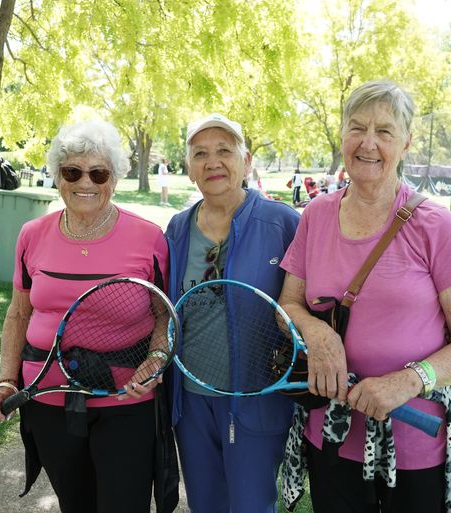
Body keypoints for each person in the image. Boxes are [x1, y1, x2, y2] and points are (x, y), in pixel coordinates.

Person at [278, 80, 451, 513]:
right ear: (342, 136)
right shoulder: (316, 215)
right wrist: (319, 336)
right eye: (357, 128)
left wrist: (406, 382)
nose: (368, 143)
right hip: (332, 432)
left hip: (416, 440)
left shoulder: (434, 225)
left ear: (407, 142)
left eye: (385, 131)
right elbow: (289, 304)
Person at [0, 120, 178, 513]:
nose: (86, 182)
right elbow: (18, 314)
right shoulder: (32, 234)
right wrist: (4, 383)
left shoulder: (148, 238)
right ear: (58, 177)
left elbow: (163, 315)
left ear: (114, 179)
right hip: (48, 400)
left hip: (125, 401)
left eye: (98, 172)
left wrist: (155, 361)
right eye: (73, 171)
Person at [164, 113, 300, 513]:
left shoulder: (284, 223)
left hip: (255, 400)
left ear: (246, 160)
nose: (213, 162)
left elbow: (310, 303)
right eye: (200, 153)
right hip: (189, 402)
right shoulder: (176, 228)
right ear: (189, 168)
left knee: (251, 505)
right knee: (205, 504)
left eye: (225, 150)